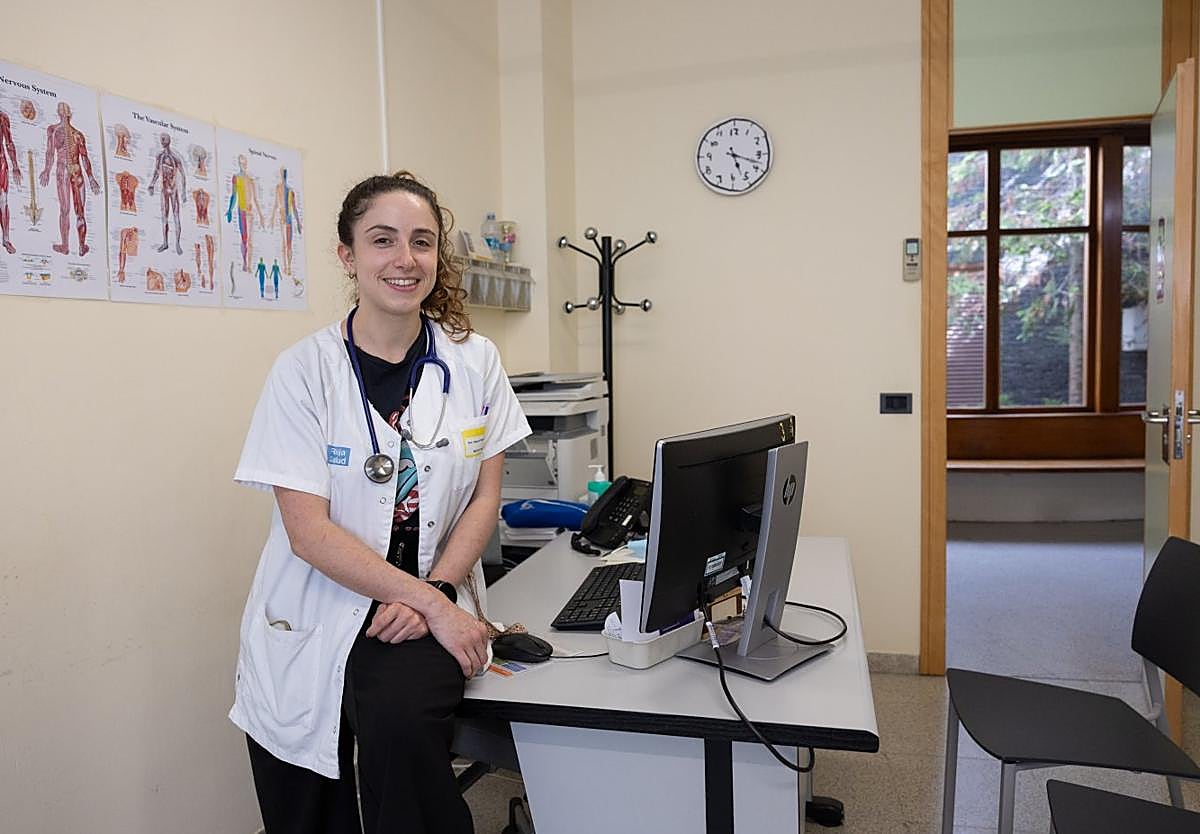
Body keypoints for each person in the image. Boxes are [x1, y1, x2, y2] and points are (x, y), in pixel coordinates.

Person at [230, 170, 530, 834]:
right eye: (382, 240)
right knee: (304, 797)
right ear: (348, 255)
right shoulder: (302, 373)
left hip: (427, 603)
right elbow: (307, 533)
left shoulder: (475, 362)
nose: (405, 259)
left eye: (422, 242)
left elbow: (486, 496)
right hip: (319, 603)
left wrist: (440, 592)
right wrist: (436, 604)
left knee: (403, 741)